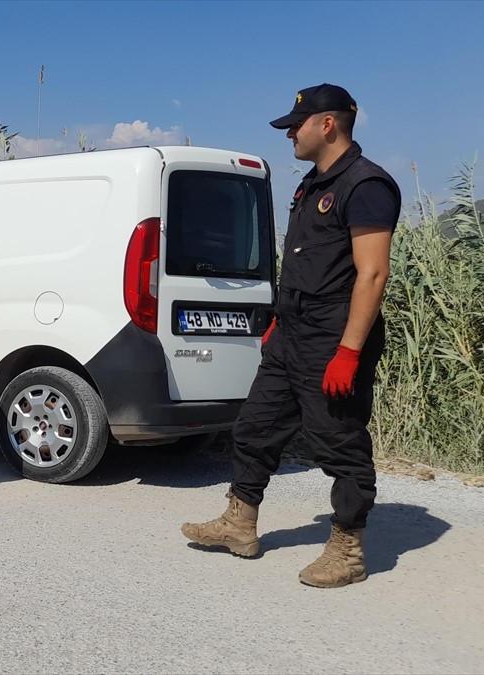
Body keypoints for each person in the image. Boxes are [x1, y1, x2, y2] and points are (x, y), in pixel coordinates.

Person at [181, 84, 401, 588]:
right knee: (254, 427)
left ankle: (348, 550)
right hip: (293, 332)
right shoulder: (312, 184)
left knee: (338, 442)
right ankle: (239, 524)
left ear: (327, 124)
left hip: (333, 336)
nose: (289, 135)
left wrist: (348, 352)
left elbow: (372, 275)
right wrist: (281, 320)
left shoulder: (365, 185)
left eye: (295, 126)